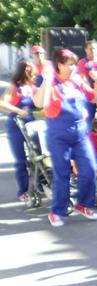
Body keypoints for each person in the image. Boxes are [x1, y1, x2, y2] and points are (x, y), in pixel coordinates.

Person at [34, 48, 97, 227]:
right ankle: (57, 211)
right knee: (62, 174)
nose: (73, 68)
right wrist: (47, 79)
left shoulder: (76, 80)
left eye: (74, 64)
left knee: (90, 169)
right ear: (59, 65)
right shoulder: (51, 82)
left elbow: (95, 98)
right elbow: (39, 103)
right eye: (69, 64)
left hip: (80, 134)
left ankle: (83, 204)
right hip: (59, 135)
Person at [0, 60, 38, 201]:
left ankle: (41, 186)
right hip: (16, 125)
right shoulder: (14, 86)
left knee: (40, 157)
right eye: (33, 74)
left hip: (32, 124)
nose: (35, 77)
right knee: (20, 160)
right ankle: (23, 191)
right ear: (26, 73)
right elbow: (2, 103)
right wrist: (18, 110)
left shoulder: (34, 87)